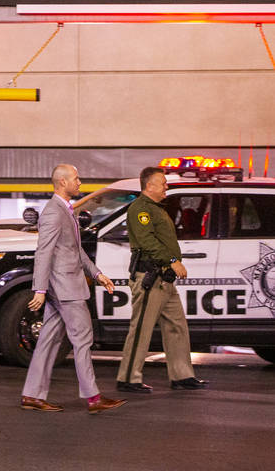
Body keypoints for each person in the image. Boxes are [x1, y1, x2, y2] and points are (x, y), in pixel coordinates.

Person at [21, 164, 125, 414]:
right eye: (76, 179)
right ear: (62, 182)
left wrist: (97, 274)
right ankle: (93, 398)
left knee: (47, 340)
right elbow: (43, 252)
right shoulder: (53, 212)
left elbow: (74, 250)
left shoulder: (65, 210)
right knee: (82, 340)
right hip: (66, 289)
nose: (80, 183)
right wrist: (39, 289)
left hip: (63, 286)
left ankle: (32, 395)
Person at [116, 166, 208, 393]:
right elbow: (147, 241)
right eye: (162, 183)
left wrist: (171, 263)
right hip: (150, 277)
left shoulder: (156, 209)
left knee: (177, 326)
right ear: (149, 186)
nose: (166, 186)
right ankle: (128, 378)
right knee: (141, 329)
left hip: (163, 278)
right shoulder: (141, 209)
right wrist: (173, 260)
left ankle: (182, 375)